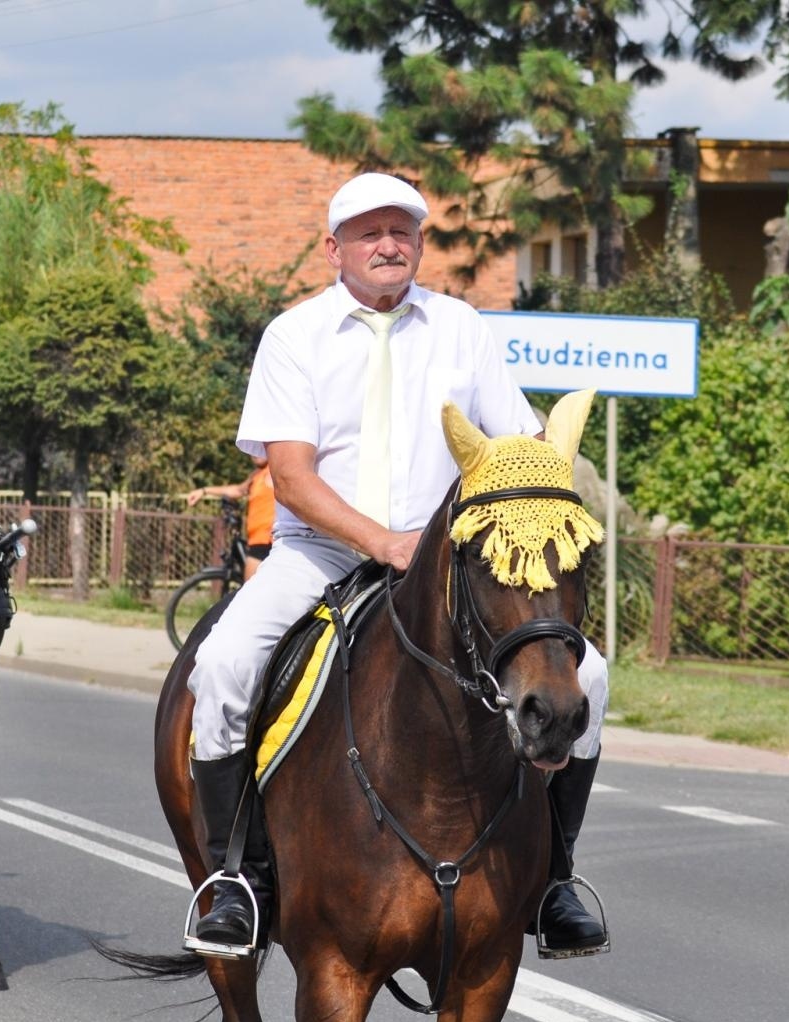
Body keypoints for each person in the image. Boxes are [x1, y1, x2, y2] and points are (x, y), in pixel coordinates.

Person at [184, 172, 611, 958]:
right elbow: (291, 476)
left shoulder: (462, 329)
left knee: (592, 677)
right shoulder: (294, 335)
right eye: (369, 232)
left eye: (402, 231)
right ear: (333, 247)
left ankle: (554, 882)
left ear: (419, 243)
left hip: (442, 564)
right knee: (224, 666)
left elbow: (518, 446)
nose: (388, 245)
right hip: (318, 555)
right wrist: (382, 541)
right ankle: (235, 880)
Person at [184, 454, 274, 580]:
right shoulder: (257, 476)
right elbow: (237, 490)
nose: (255, 453)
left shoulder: (274, 471)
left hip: (266, 540)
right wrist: (204, 491)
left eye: (261, 447)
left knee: (250, 593)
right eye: (252, 449)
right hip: (256, 539)